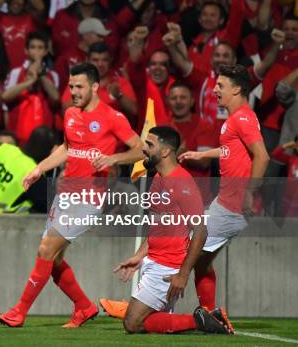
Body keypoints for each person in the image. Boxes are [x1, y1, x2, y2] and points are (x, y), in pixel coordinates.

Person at [0, 62, 143, 328]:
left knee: (45, 250)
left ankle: (19, 311)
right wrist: (39, 169)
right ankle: (84, 307)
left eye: (79, 87)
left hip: (88, 199)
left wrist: (113, 158)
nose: (73, 91)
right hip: (64, 195)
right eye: (71, 86)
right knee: (53, 261)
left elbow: (141, 150)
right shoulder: (70, 114)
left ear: (95, 87)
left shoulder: (113, 117)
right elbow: (67, 148)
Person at [110, 126, 233, 335]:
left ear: (165, 151)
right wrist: (140, 256)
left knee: (133, 322)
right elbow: (159, 226)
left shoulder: (182, 183)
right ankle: (203, 320)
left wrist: (183, 275)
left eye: (150, 145)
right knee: (151, 321)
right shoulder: (159, 179)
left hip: (167, 265)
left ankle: (201, 320)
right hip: (155, 261)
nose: (144, 149)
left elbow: (201, 232)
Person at [179, 65, 270, 311]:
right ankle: (209, 314)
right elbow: (232, 149)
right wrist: (202, 154)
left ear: (237, 88)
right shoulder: (235, 119)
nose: (215, 90)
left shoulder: (242, 117)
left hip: (233, 206)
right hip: (224, 202)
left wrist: (250, 193)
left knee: (181, 249)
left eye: (220, 85)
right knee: (202, 262)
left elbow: (262, 156)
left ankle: (145, 307)